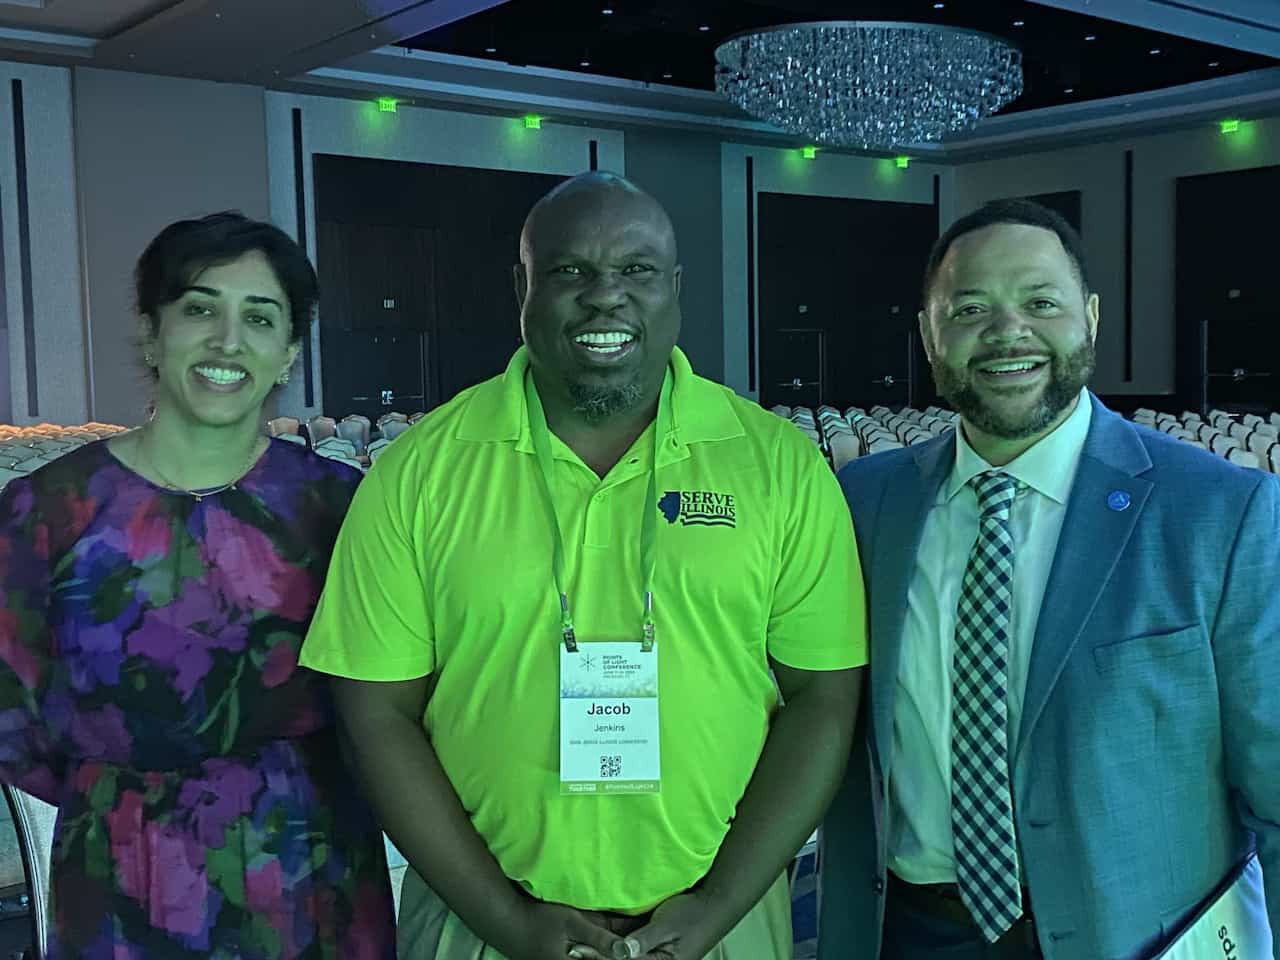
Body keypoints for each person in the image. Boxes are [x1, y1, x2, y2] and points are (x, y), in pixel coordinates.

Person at [300, 171, 868, 960]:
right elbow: (374, 715)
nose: (606, 296)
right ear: (521, 288)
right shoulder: (417, 474)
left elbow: (824, 699)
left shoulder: (780, 469)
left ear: (675, 288)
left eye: (636, 271)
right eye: (570, 270)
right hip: (480, 930)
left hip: (722, 934)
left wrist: (717, 905)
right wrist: (508, 921)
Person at [818, 199, 1279, 959]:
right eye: (970, 309)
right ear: (929, 333)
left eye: (1041, 302)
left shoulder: (1220, 514)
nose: (1008, 332)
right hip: (904, 932)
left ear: (1090, 316)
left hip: (1132, 934)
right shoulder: (863, 503)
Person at [0, 212, 397, 958]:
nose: (227, 340)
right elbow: (12, 719)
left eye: (260, 317)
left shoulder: (346, 508)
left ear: (287, 354)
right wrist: (143, 796)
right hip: (121, 877)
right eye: (199, 309)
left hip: (313, 872)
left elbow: (395, 703)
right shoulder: (45, 509)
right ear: (152, 333)